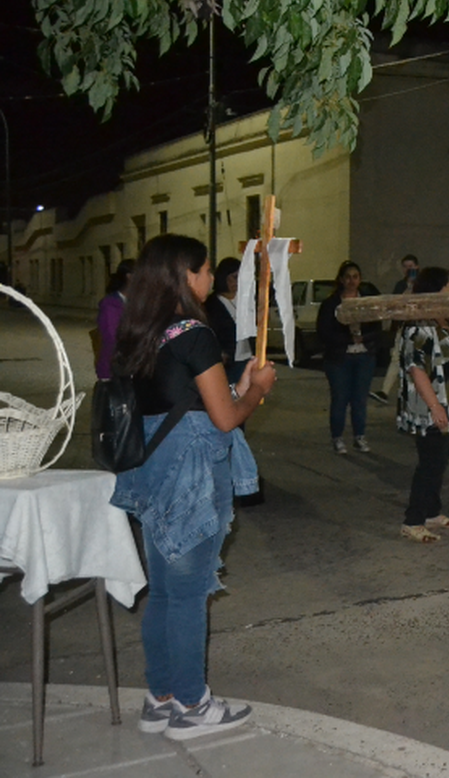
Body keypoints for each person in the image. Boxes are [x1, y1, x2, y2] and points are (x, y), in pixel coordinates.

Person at [108, 234, 277, 739]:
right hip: (191, 476)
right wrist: (258, 392)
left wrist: (242, 384)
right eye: (205, 270)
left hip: (152, 472)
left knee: (163, 592)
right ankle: (191, 704)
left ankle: (160, 696)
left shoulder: (141, 333)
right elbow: (224, 420)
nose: (210, 278)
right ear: (187, 276)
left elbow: (186, 398)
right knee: (186, 596)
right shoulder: (195, 335)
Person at [395, 266, 449, 542]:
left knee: (441, 459)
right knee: (430, 462)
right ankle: (413, 520)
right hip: (431, 407)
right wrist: (435, 407)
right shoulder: (419, 324)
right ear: (437, 289)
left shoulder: (441, 321)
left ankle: (431, 512)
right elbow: (416, 369)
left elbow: (447, 355)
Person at [317, 261, 381, 455]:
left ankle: (359, 436)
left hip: (364, 356)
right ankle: (337, 437)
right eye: (348, 277)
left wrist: (364, 339)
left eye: (355, 277)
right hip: (339, 358)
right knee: (340, 398)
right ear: (341, 279)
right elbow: (323, 331)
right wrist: (347, 339)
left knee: (360, 399)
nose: (352, 281)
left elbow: (378, 328)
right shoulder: (331, 303)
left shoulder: (367, 302)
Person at [371, 253, 420, 404]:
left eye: (411, 267)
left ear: (417, 267)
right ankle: (385, 391)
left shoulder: (423, 283)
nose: (407, 270)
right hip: (404, 326)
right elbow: (397, 303)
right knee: (396, 358)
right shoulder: (400, 285)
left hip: (420, 328)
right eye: (405, 267)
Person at [205, 258, 248, 384]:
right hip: (228, 360)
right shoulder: (212, 305)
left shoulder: (246, 300)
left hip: (248, 356)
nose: (237, 282)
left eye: (241, 277)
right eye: (234, 277)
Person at [95, 258, 134, 380]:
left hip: (132, 369)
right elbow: (112, 337)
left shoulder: (138, 302)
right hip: (113, 371)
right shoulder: (110, 304)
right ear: (130, 277)